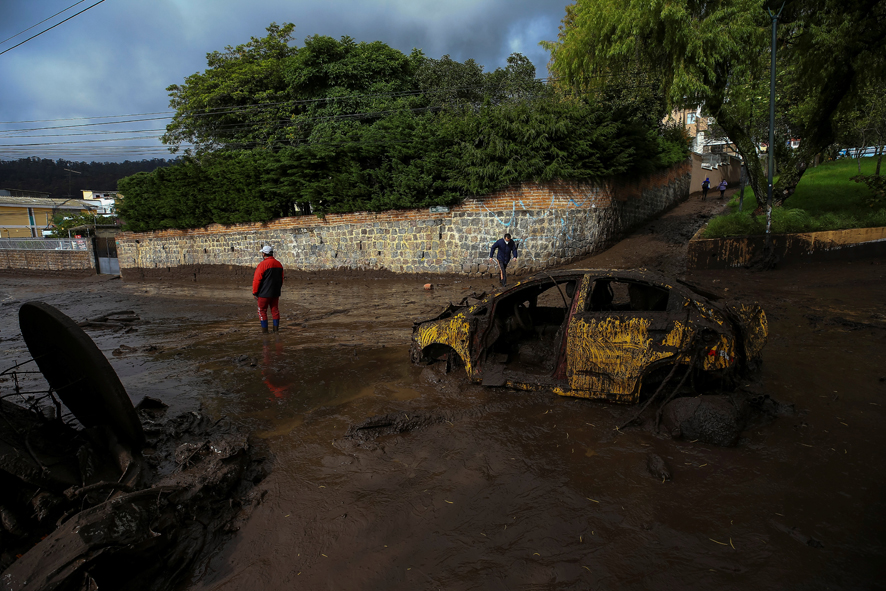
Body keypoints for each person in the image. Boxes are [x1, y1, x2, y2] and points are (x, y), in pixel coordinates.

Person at [252, 245, 284, 333]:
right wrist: (278, 289)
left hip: (264, 293)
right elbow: (281, 279)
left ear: (264, 254)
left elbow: (257, 280)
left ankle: (265, 332)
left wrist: (255, 292)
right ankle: (276, 330)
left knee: (262, 311)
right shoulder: (279, 264)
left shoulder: (262, 264)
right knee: (275, 311)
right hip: (275, 292)